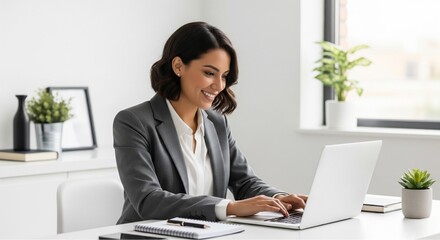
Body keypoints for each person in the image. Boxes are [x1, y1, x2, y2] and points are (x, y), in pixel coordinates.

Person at [113, 21, 307, 224]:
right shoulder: (134, 122)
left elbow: (244, 181)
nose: (219, 85)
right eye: (209, 73)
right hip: (147, 235)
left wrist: (278, 199)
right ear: (178, 66)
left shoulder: (217, 122)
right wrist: (229, 207)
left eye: (224, 76)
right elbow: (148, 200)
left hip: (206, 234)